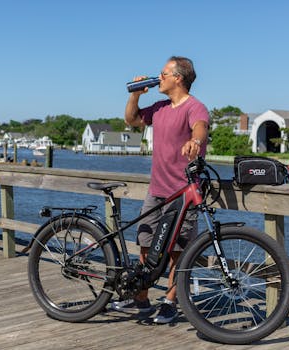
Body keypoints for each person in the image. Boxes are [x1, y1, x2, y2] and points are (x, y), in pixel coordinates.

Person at [112, 56, 210, 324]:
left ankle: (169, 302)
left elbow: (200, 127)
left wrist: (195, 141)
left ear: (178, 78)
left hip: (183, 192)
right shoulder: (160, 107)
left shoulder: (194, 107)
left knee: (179, 251)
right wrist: (135, 95)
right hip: (156, 190)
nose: (159, 77)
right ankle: (141, 299)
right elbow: (132, 120)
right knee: (146, 245)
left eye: (163, 73)